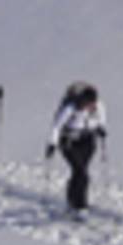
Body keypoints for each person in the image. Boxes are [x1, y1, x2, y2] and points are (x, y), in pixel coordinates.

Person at [45, 82, 109, 217]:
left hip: (87, 141)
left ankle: (73, 201)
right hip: (69, 142)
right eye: (87, 104)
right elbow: (57, 125)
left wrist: (100, 128)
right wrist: (52, 143)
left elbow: (101, 120)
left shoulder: (98, 107)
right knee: (81, 172)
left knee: (80, 172)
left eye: (91, 104)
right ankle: (80, 205)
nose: (89, 106)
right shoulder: (70, 108)